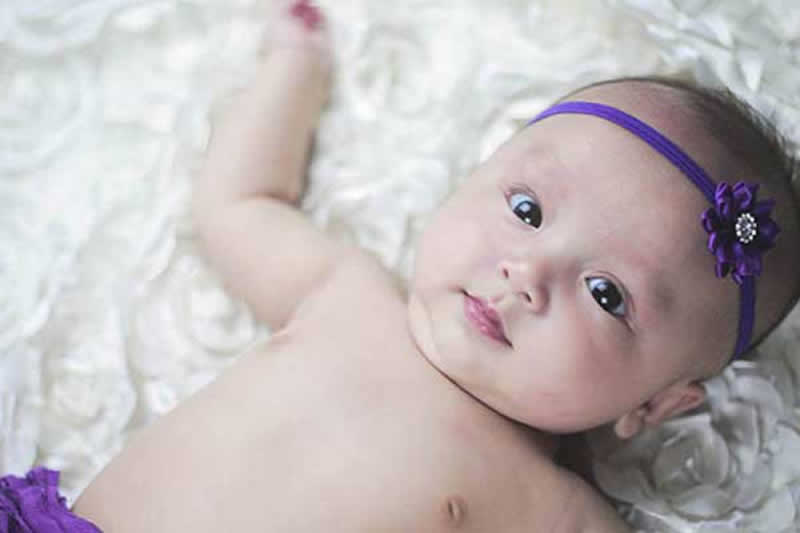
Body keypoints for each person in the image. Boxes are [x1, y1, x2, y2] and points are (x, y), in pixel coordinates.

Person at [4, 1, 800, 531]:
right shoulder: (349, 293)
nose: (526, 274)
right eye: (527, 209)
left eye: (605, 293)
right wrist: (295, 64)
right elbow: (240, 202)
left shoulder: (554, 508)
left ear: (655, 403)